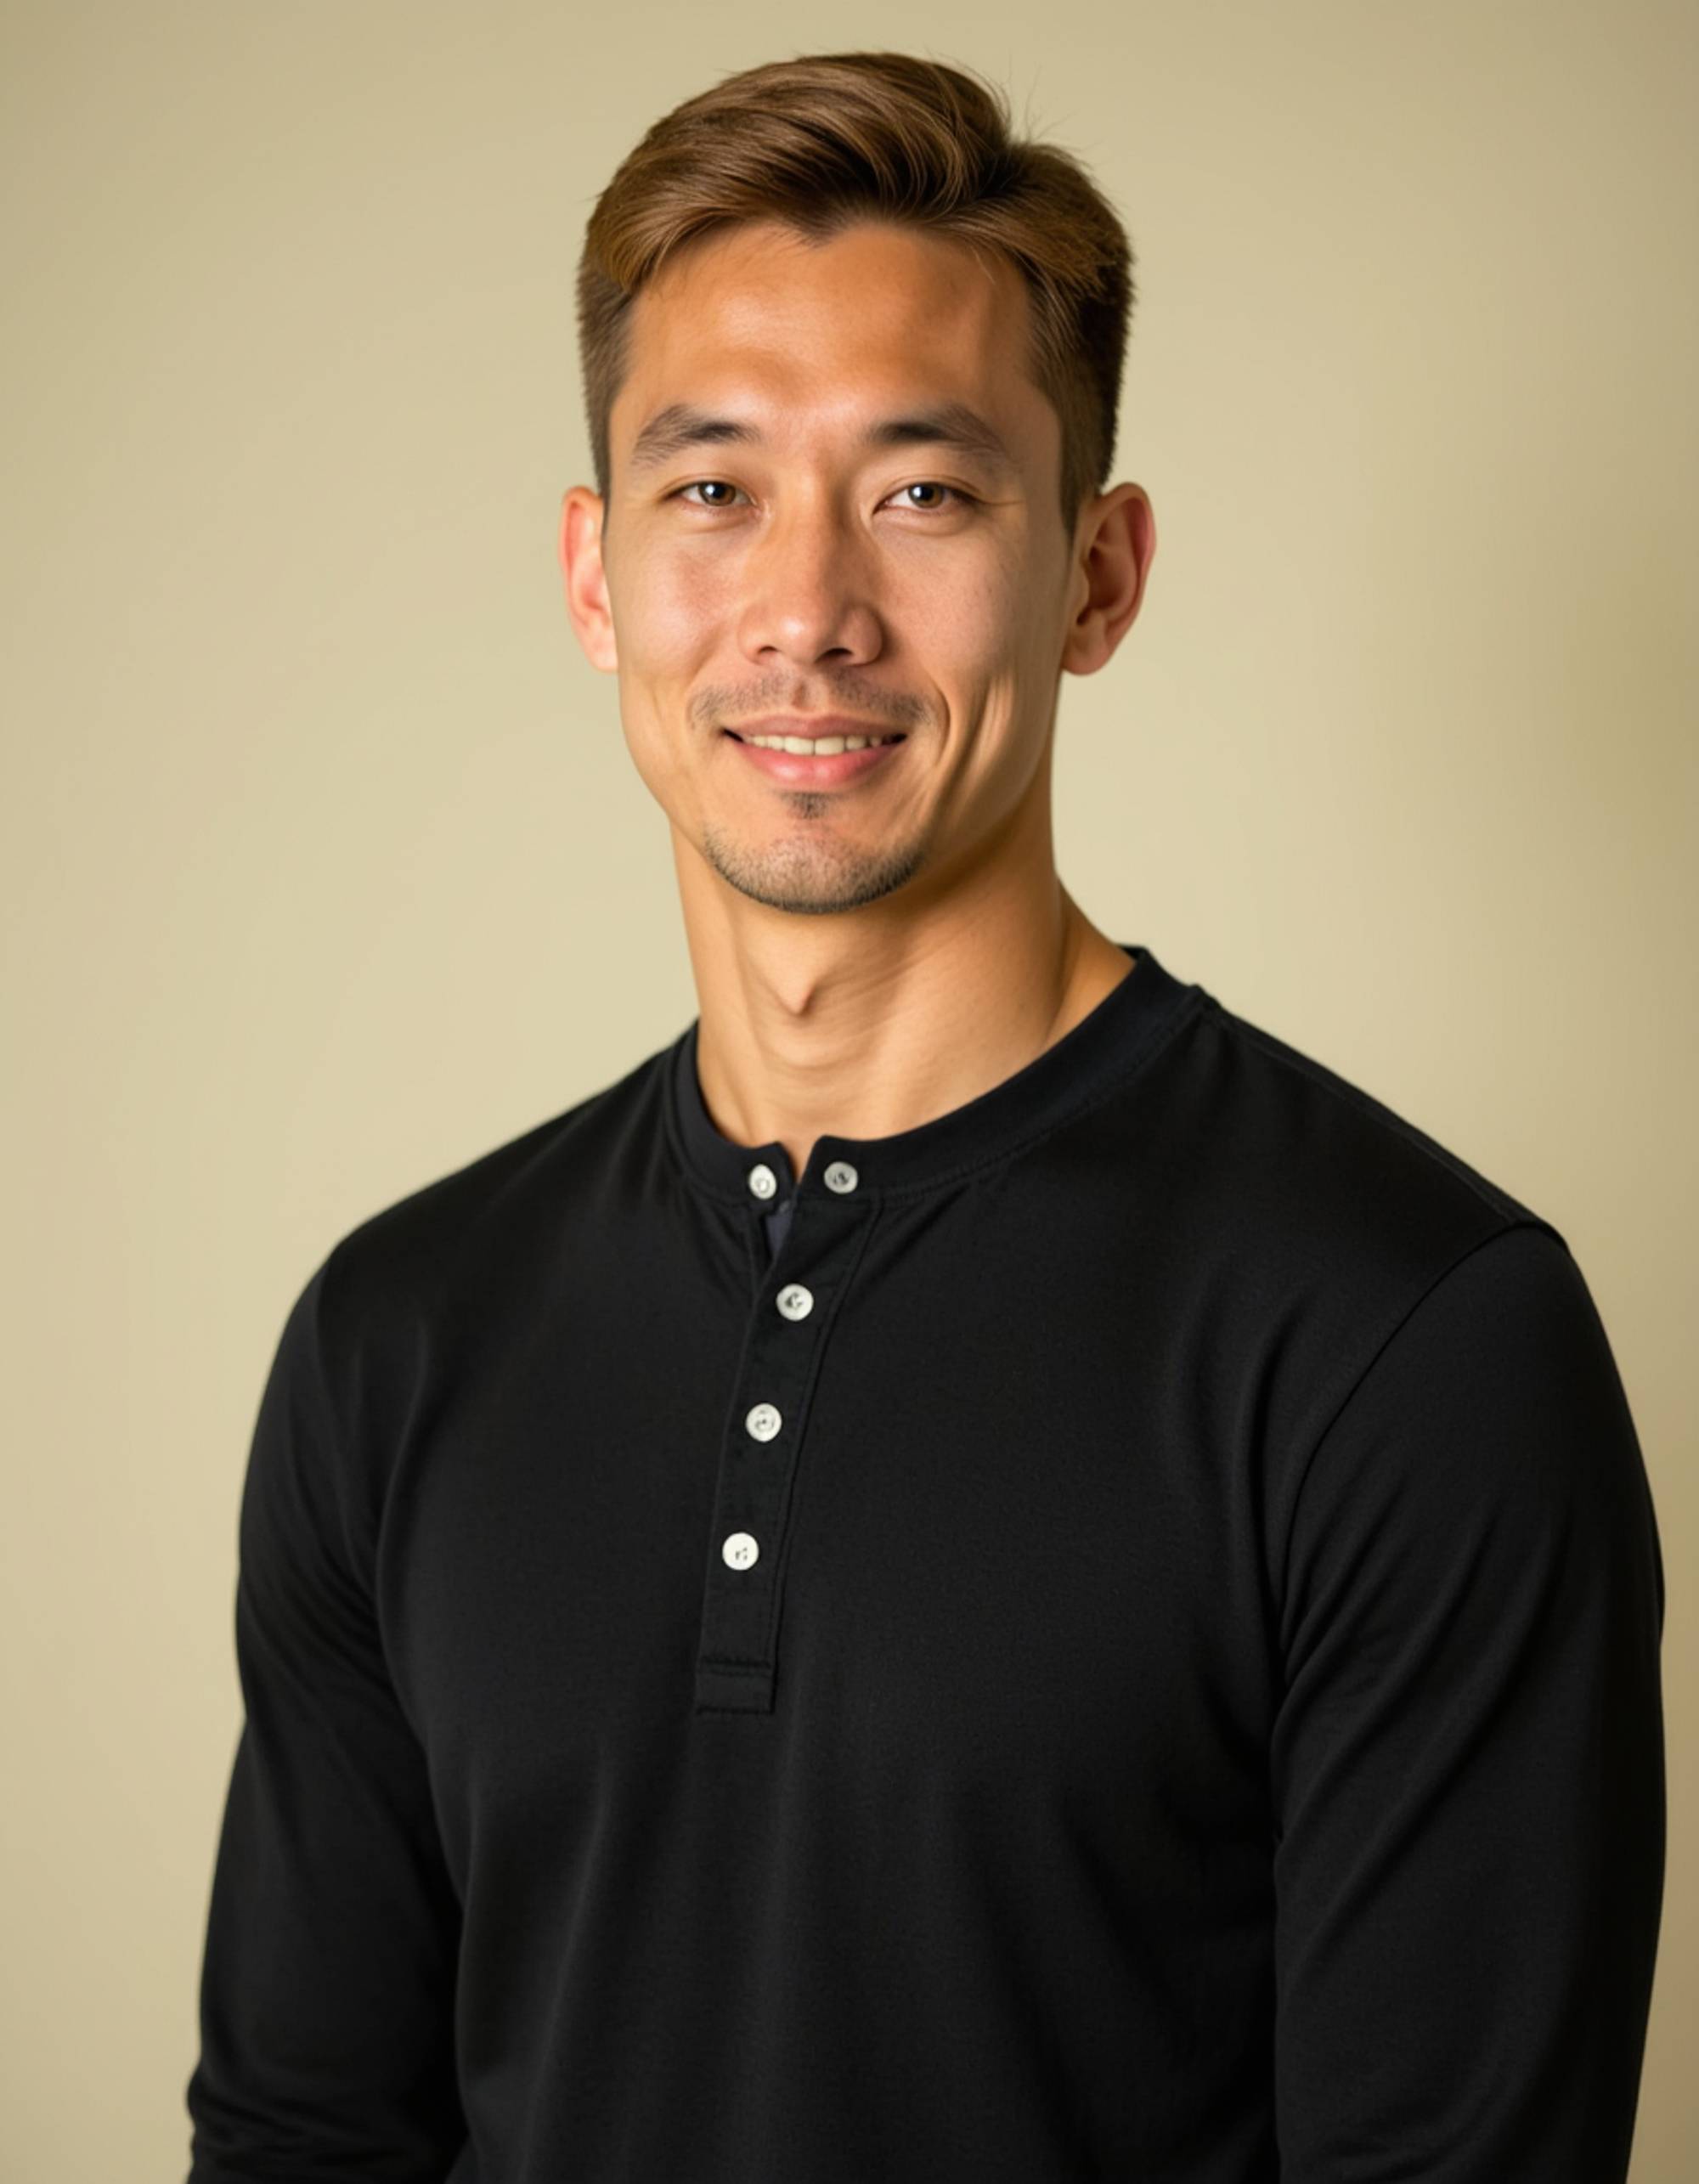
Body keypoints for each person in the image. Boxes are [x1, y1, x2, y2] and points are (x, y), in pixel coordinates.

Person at [184, 48, 1665, 2184]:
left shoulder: (1409, 1339)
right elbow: (304, 2139)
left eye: (923, 488)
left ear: (1097, 572)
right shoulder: (396, 1339)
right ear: (597, 577)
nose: (806, 610)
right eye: (711, 488)